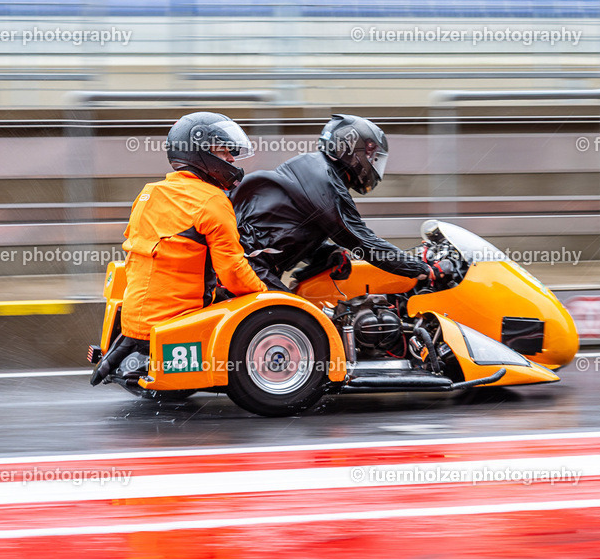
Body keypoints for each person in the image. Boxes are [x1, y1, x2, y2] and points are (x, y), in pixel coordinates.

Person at [91, 112, 267, 385]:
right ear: (201, 154)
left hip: (134, 324)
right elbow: (232, 271)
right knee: (267, 302)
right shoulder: (212, 201)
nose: (232, 160)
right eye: (224, 152)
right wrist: (265, 298)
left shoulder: (148, 193)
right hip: (180, 323)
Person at [231, 114, 442, 291]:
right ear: (352, 147)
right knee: (295, 321)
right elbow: (362, 241)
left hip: (249, 263)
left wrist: (325, 253)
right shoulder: (323, 178)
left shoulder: (317, 169)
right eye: (371, 156)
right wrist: (421, 268)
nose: (373, 164)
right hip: (246, 265)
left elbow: (285, 227)